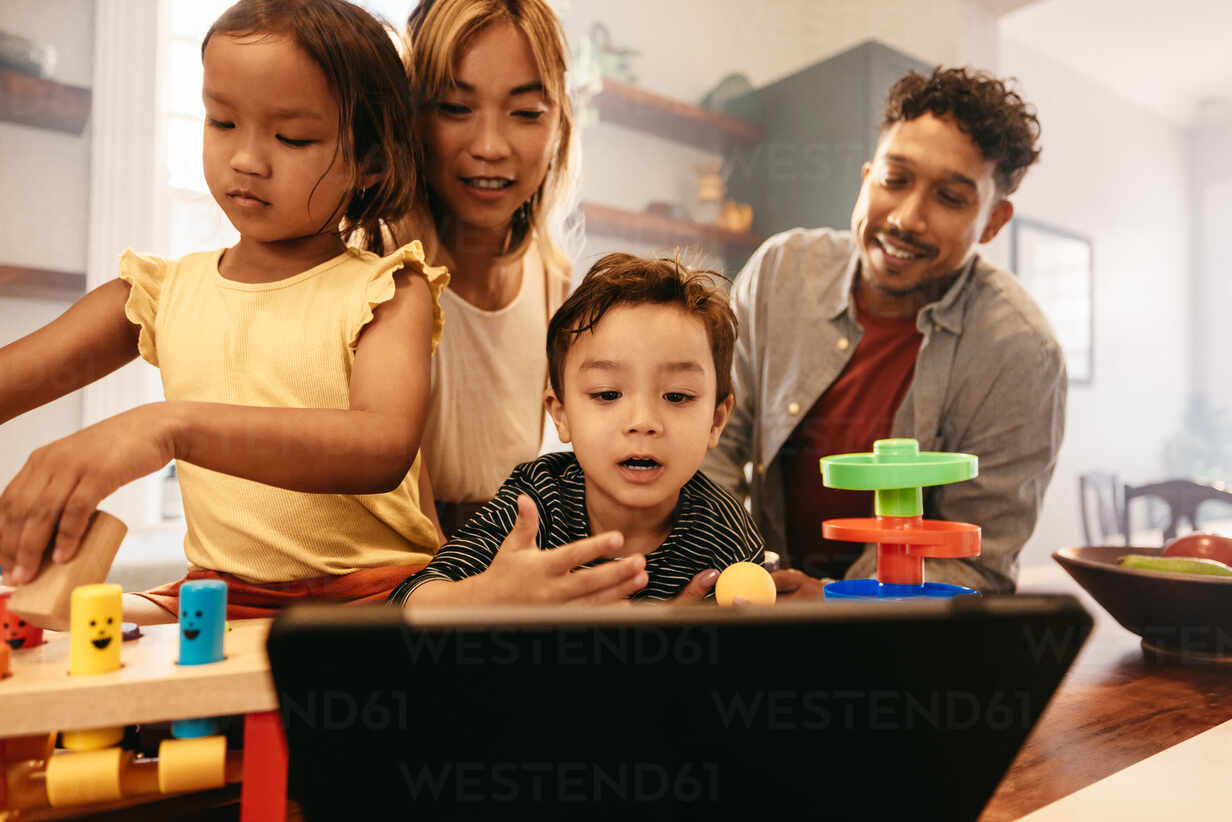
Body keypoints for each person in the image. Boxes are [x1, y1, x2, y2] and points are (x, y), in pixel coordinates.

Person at [0, 0, 446, 621]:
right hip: (218, 596)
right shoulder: (161, 294)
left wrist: (166, 426)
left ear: (370, 162)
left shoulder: (389, 289)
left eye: (291, 137)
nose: (247, 159)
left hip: (377, 596)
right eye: (222, 122)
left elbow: (382, 446)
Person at [703, 67, 1066, 595]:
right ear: (867, 176)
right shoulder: (780, 271)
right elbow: (708, 446)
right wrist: (740, 577)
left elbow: (977, 563)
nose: (906, 218)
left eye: (951, 197)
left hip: (907, 639)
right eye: (895, 180)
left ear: (992, 221)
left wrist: (834, 602)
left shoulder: (1021, 354)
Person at [389, 254, 763, 607]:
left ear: (716, 420)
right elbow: (405, 602)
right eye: (607, 394)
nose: (643, 422)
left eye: (677, 396)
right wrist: (488, 596)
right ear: (561, 413)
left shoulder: (725, 533)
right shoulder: (535, 502)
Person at [392, 0, 579, 540]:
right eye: (454, 107)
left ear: (559, 122)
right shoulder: (374, 275)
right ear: (412, 116)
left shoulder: (553, 280)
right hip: (404, 590)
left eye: (525, 113)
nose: (491, 147)